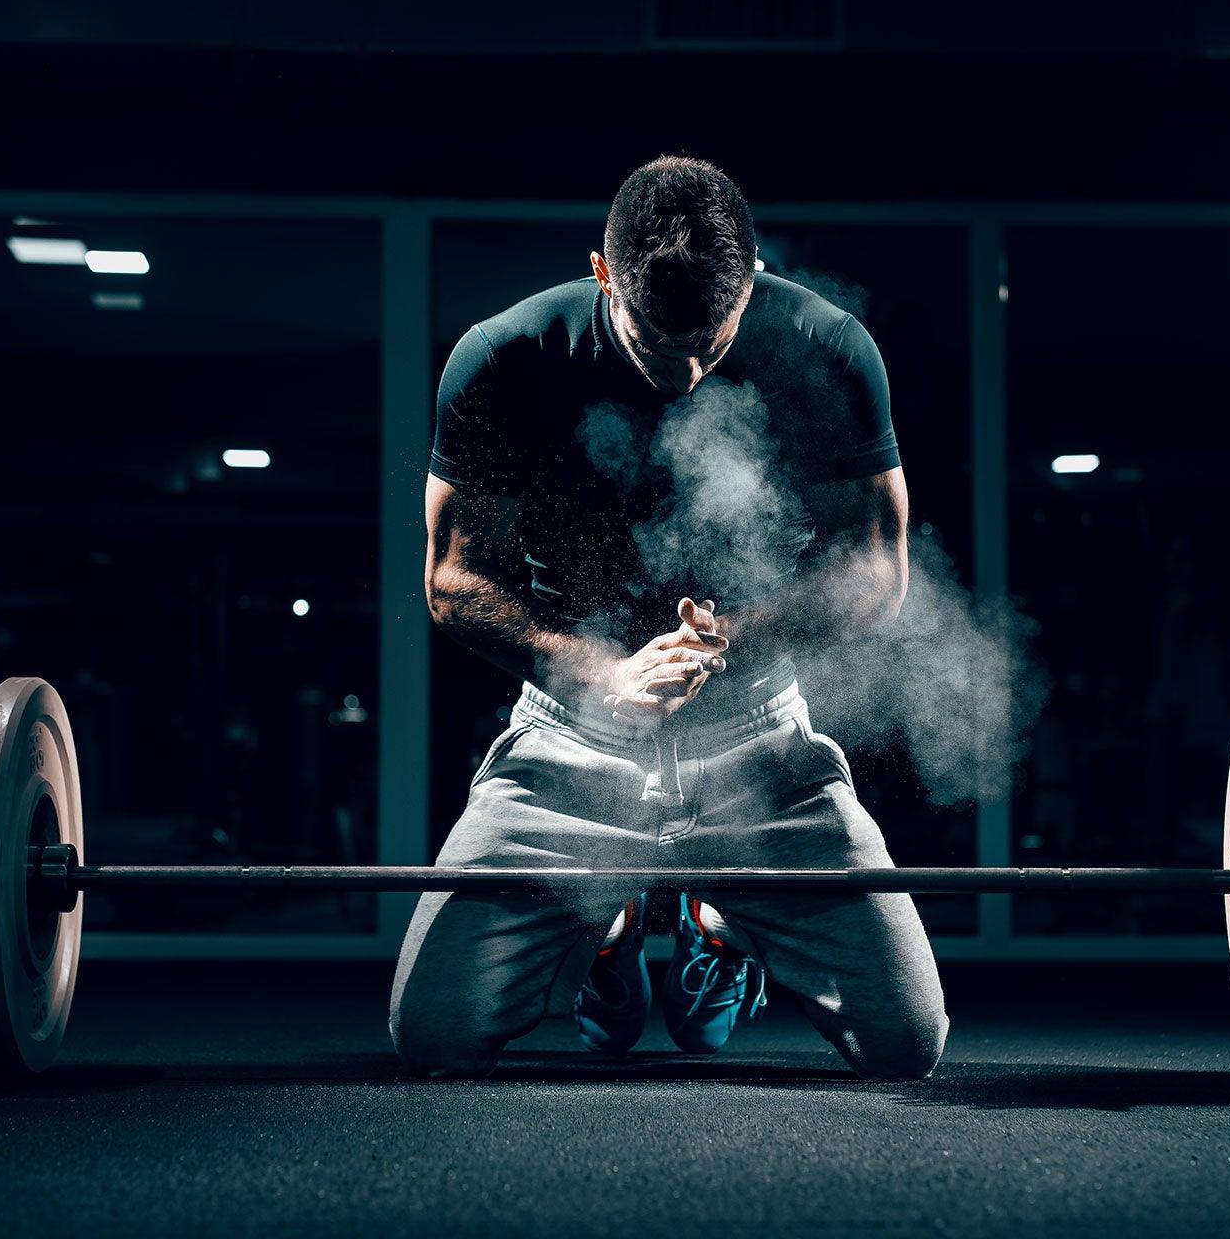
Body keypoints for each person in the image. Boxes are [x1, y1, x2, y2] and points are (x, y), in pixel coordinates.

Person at [389, 155, 947, 1079]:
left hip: (759, 740)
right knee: (433, 1033)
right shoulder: (504, 358)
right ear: (604, 272)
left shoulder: (828, 345)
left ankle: (718, 924)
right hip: (573, 737)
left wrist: (737, 643)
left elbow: (878, 567)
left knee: (908, 1045)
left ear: (754, 274)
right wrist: (602, 673)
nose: (687, 373)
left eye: (711, 342)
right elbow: (452, 579)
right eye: (659, 342)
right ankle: (603, 929)